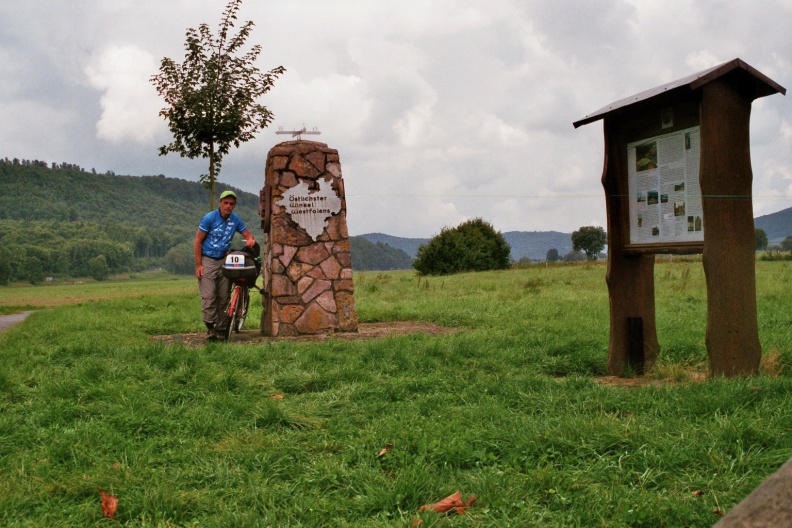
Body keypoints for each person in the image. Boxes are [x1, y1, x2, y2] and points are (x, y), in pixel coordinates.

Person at [194, 190, 256, 340]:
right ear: (220, 203)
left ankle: (222, 329)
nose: (228, 206)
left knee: (223, 296)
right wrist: (199, 265)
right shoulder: (209, 218)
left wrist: (250, 240)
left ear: (234, 206)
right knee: (209, 296)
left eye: (231, 204)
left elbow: (248, 234)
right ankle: (210, 326)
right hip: (208, 259)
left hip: (224, 259)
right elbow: (198, 241)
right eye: (226, 203)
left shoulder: (235, 220)